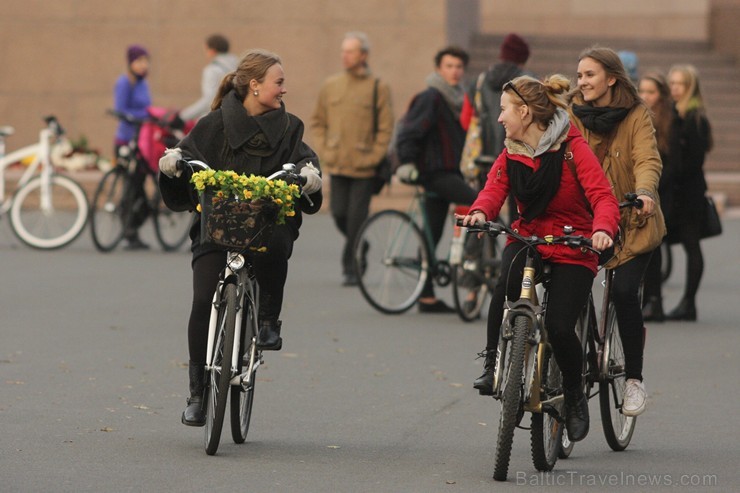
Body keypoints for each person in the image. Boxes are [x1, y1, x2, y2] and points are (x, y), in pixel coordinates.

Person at [158, 49, 323, 427]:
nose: (284, 89)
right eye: (278, 82)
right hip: (216, 225)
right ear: (255, 85)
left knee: (276, 244)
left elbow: (304, 160)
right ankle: (197, 392)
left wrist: (310, 174)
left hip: (264, 223)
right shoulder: (213, 124)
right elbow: (184, 156)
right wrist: (172, 165)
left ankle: (268, 320)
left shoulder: (290, 127)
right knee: (202, 300)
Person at [461, 74, 620, 442]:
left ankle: (575, 396)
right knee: (504, 286)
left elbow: (603, 197)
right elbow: (493, 187)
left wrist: (603, 230)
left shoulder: (572, 149)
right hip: (529, 235)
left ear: (526, 112)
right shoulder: (511, 149)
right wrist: (481, 212)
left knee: (561, 327)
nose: (499, 118)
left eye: (504, 111)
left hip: (574, 242)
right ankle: (494, 363)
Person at [569, 46, 666, 417]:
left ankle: (634, 381)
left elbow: (647, 158)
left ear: (611, 78)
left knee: (624, 292)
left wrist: (644, 192)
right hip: (588, 220)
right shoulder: (572, 114)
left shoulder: (637, 114)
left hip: (633, 220)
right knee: (568, 286)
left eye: (590, 75)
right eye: (579, 76)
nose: (582, 82)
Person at [395, 46, 478, 313]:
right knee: (480, 204)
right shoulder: (431, 97)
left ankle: (426, 297)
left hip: (450, 170)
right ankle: (474, 267)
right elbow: (409, 131)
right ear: (438, 69)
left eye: (459, 67)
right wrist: (406, 162)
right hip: (434, 172)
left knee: (431, 233)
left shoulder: (459, 97)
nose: (455, 71)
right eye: (449, 66)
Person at [310, 32, 394, 287]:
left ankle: (352, 267)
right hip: (337, 163)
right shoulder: (331, 85)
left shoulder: (378, 86)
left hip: (364, 167)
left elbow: (386, 127)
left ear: (364, 55)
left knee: (357, 218)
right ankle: (362, 244)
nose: (345, 56)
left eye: (351, 51)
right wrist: (324, 151)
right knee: (338, 214)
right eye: (343, 51)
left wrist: (376, 154)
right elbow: (318, 122)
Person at [462, 33, 534, 224]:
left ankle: (473, 251)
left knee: (484, 202)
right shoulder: (528, 81)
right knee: (519, 212)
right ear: (522, 59)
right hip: (520, 151)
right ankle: (515, 243)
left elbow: (465, 119)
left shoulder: (480, 81)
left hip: (483, 153)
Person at [665, 64, 713, 321]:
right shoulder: (675, 114)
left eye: (679, 84)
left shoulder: (694, 118)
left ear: (690, 87)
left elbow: (692, 162)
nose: (674, 88)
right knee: (684, 244)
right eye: (671, 83)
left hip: (689, 194)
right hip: (678, 191)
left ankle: (689, 302)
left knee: (691, 245)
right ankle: (681, 302)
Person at [638, 71, 679, 321]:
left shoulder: (671, 121)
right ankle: (649, 299)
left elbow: (674, 164)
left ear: (661, 95)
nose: (645, 96)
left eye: (650, 92)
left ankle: (655, 300)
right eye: (641, 91)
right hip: (645, 191)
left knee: (654, 246)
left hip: (663, 192)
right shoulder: (639, 117)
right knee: (645, 249)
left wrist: (654, 186)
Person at [113, 44, 152, 250]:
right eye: (139, 61)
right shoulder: (124, 82)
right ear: (130, 63)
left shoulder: (143, 83)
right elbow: (121, 109)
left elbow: (147, 107)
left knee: (139, 188)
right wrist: (145, 116)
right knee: (132, 187)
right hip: (125, 141)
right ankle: (128, 229)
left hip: (142, 141)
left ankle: (130, 229)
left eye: (146, 61)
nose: (143, 65)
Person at [178, 34, 239, 122]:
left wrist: (183, 116)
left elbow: (209, 100)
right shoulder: (239, 67)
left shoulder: (212, 70)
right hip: (237, 118)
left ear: (212, 50)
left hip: (217, 120)